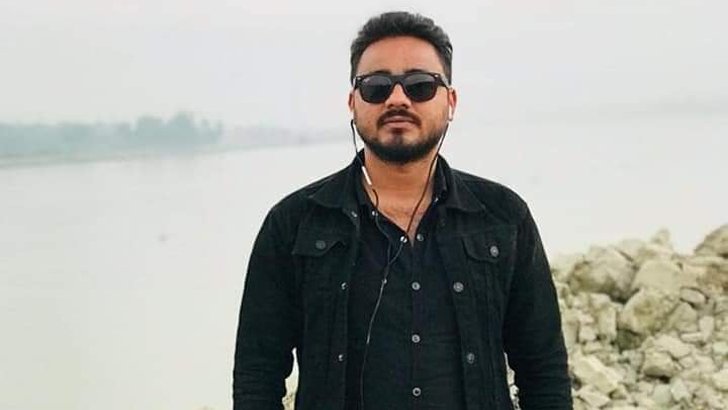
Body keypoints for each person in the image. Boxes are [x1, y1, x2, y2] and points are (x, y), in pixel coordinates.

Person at [233, 11, 572, 410]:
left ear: (450, 101)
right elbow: (257, 375)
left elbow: (543, 369)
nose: (397, 99)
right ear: (352, 103)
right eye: (376, 87)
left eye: (420, 85)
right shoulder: (293, 225)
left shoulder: (503, 217)